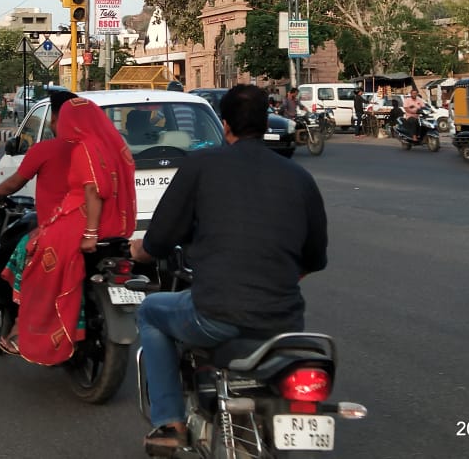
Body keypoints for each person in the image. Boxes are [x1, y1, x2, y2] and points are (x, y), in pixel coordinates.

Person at [129, 85, 328, 454]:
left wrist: (141, 251)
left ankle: (170, 422)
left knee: (151, 312)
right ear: (266, 123)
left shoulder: (201, 166)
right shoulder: (299, 177)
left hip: (214, 313)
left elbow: (160, 239)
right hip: (284, 322)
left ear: (224, 125)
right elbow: (315, 258)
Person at [0, 96, 136, 364]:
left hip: (79, 223)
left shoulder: (85, 148)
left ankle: (25, 331)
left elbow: (94, 190)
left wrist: (90, 234)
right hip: (111, 225)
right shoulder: (112, 145)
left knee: (31, 253)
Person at [0, 91, 78, 354]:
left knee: (6, 257)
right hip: (96, 230)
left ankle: (15, 324)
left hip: (56, 228)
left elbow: (14, 183)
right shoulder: (96, 149)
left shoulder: (45, 149)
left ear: (56, 118)